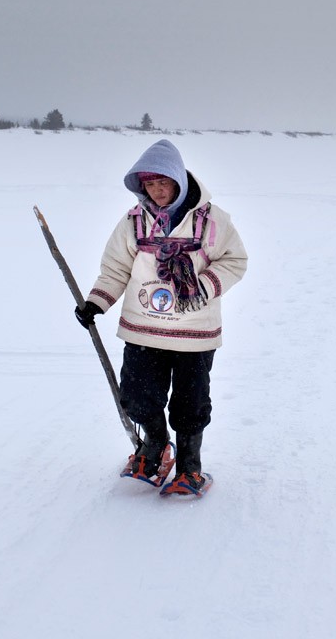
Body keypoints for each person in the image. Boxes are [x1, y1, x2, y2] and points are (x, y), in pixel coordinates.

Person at [74, 138, 248, 496]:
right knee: (138, 396)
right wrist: (96, 302)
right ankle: (154, 448)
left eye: (162, 182)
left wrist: (202, 285)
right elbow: (115, 268)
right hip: (142, 329)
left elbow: (235, 260)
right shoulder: (134, 221)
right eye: (149, 185)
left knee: (190, 403)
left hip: (194, 332)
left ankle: (189, 468)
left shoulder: (211, 221)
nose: (156, 191)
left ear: (178, 181)